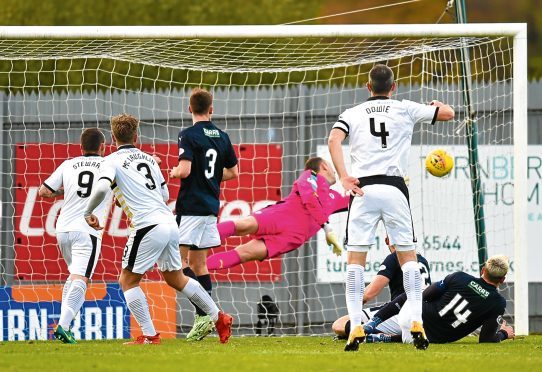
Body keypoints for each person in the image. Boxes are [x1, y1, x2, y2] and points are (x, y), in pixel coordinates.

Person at [328, 63, 454, 351]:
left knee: (356, 260)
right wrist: (437, 104)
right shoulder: (405, 107)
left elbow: (334, 139)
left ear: (367, 87)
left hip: (363, 189)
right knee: (408, 258)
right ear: (393, 87)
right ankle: (417, 320)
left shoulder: (352, 113)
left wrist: (343, 176)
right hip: (395, 188)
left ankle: (356, 326)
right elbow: (448, 113)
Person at [84, 113, 232, 345]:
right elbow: (163, 194)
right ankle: (218, 317)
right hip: (169, 223)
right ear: (136, 136)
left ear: (113, 138)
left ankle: (150, 335)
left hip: (147, 224)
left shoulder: (110, 161)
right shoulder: (149, 159)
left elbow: (102, 188)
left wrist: (88, 212)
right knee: (175, 277)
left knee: (127, 281)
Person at [169, 88, 239, 342]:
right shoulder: (222, 136)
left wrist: (175, 171)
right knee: (199, 265)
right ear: (212, 109)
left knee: (177, 265)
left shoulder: (187, 134)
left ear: (190, 109)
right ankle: (205, 320)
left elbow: (185, 170)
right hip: (211, 206)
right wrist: (209, 176)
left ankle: (209, 315)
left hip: (190, 206)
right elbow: (233, 172)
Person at [206, 157, 349, 271]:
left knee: (245, 253)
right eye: (332, 167)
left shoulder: (335, 197)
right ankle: (196, 238)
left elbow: (359, 201)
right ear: (324, 166)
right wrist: (326, 227)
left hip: (293, 237)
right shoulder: (310, 176)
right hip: (283, 216)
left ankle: (194, 270)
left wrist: (360, 184)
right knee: (244, 225)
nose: (335, 172)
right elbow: (310, 199)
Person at [39, 128, 110, 344]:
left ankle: (65, 325)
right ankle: (63, 326)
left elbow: (43, 191)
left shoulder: (68, 164)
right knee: (82, 278)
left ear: (81, 147)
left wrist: (64, 192)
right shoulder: (108, 165)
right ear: (103, 147)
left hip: (62, 230)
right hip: (86, 230)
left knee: (74, 277)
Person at [362, 255, 515, 344]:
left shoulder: (459, 277)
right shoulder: (498, 303)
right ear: (502, 280)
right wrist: (504, 334)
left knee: (415, 292)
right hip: (432, 339)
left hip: (411, 319)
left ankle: (373, 322)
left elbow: (425, 295)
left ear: (483, 270)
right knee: (434, 329)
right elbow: (486, 339)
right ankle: (382, 337)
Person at [332, 241, 431, 341]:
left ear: (387, 241)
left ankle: (375, 337)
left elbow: (368, 294)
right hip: (425, 316)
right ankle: (396, 337)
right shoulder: (423, 260)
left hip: (400, 313)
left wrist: (352, 301)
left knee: (339, 325)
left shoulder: (394, 257)